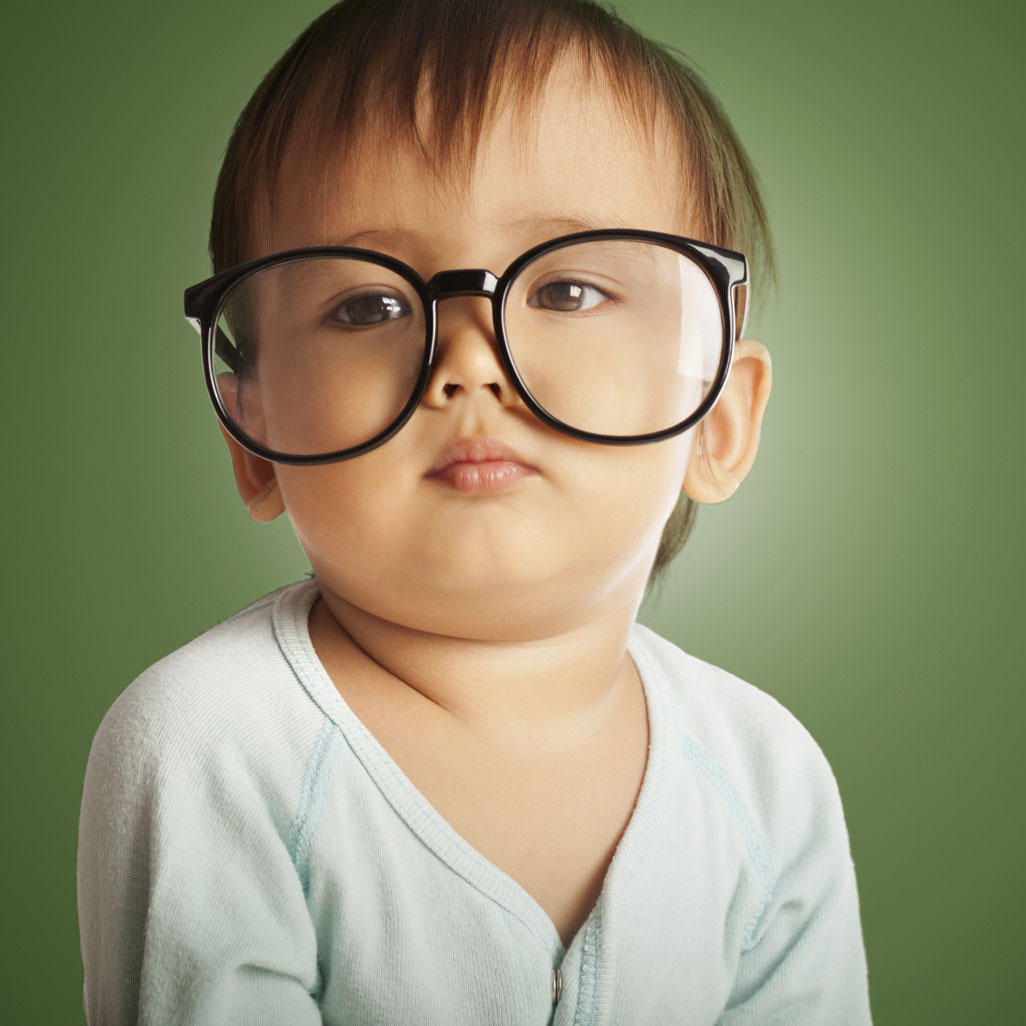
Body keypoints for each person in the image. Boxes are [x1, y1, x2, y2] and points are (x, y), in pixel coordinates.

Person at [76, 1, 872, 1023]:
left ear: (717, 415)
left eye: (570, 290)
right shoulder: (211, 749)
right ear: (250, 433)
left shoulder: (767, 779)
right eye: (369, 305)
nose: (468, 361)